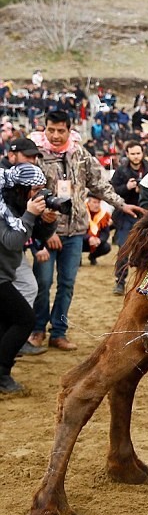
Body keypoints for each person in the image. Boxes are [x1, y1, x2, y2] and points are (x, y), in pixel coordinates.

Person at [27, 111, 144, 352]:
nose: (56, 135)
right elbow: (30, 193)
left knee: (67, 284)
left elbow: (99, 185)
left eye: (61, 130)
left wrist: (121, 203)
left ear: (70, 131)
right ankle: (37, 329)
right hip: (47, 232)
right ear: (45, 129)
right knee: (43, 282)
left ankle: (58, 332)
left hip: (76, 231)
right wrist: (45, 230)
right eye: (51, 130)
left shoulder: (81, 155)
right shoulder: (36, 157)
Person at [0, 165, 48, 393]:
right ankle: (2, 374)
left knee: (6, 323)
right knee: (25, 319)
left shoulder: (17, 206)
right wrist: (30, 215)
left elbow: (38, 236)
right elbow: (12, 241)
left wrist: (47, 220)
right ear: (21, 189)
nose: (39, 194)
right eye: (36, 189)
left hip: (4, 273)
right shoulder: (3, 209)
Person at [109, 140, 148, 294]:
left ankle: (144, 282)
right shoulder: (120, 171)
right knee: (124, 248)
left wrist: (143, 190)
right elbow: (112, 192)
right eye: (132, 153)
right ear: (127, 154)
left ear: (142, 153)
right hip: (125, 214)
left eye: (138, 153)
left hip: (146, 215)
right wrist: (126, 187)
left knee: (147, 249)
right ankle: (120, 282)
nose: (135, 156)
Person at [81, 197, 112, 265]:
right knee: (76, 242)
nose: (97, 205)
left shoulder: (103, 215)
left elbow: (105, 232)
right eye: (94, 202)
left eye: (98, 202)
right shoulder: (81, 213)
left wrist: (100, 240)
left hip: (96, 242)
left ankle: (92, 257)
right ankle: (78, 259)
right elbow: (77, 231)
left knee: (106, 247)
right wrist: (89, 238)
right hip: (82, 240)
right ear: (88, 203)